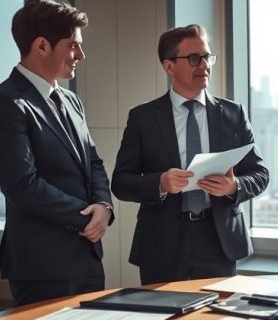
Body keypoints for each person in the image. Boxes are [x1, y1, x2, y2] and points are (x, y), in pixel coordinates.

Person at [0, 0, 114, 306]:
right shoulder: (5, 104)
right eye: (72, 45)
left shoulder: (71, 100)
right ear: (42, 46)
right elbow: (24, 186)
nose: (81, 54)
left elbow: (92, 161)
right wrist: (87, 217)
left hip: (88, 257)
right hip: (43, 265)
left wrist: (104, 206)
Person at [112, 24, 269, 284]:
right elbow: (121, 182)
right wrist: (160, 183)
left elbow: (261, 174)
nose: (204, 65)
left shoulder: (233, 114)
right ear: (169, 66)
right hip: (161, 241)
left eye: (207, 57)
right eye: (194, 58)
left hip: (219, 240)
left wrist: (234, 186)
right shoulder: (143, 118)